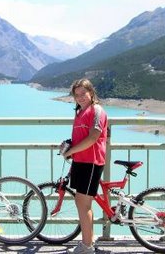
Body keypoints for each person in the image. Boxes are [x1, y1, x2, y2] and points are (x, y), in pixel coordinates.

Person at [61, 78, 108, 254]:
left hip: (91, 162)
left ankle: (87, 247)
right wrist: (69, 146)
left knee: (83, 204)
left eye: (83, 94)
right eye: (77, 95)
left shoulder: (96, 110)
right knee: (82, 203)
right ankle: (88, 241)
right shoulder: (81, 111)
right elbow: (81, 137)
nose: (80, 97)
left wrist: (70, 151)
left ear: (91, 93)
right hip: (81, 161)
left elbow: (93, 138)